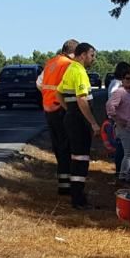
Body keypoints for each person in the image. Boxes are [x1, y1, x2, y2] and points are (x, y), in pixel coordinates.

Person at [55, 43, 100, 210]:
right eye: (91, 55)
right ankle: (78, 199)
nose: (93, 59)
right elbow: (82, 100)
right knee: (81, 158)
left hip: (71, 117)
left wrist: (69, 109)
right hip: (79, 121)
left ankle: (77, 195)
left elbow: (58, 93)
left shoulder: (70, 69)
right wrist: (93, 123)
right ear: (82, 55)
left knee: (76, 157)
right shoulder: (79, 71)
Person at [37, 39, 78, 195]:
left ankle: (63, 184)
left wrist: (48, 95)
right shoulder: (68, 65)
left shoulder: (51, 63)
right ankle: (68, 186)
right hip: (62, 109)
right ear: (74, 53)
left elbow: (39, 83)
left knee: (58, 147)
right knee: (67, 146)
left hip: (49, 109)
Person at [105, 70, 130, 187]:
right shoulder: (120, 92)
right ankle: (122, 178)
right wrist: (118, 119)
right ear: (122, 80)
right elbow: (110, 106)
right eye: (127, 78)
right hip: (126, 128)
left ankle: (129, 178)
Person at [105, 62, 130, 175]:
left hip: (119, 119)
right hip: (119, 120)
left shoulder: (116, 83)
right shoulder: (116, 84)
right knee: (122, 147)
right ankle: (120, 173)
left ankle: (121, 173)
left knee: (123, 147)